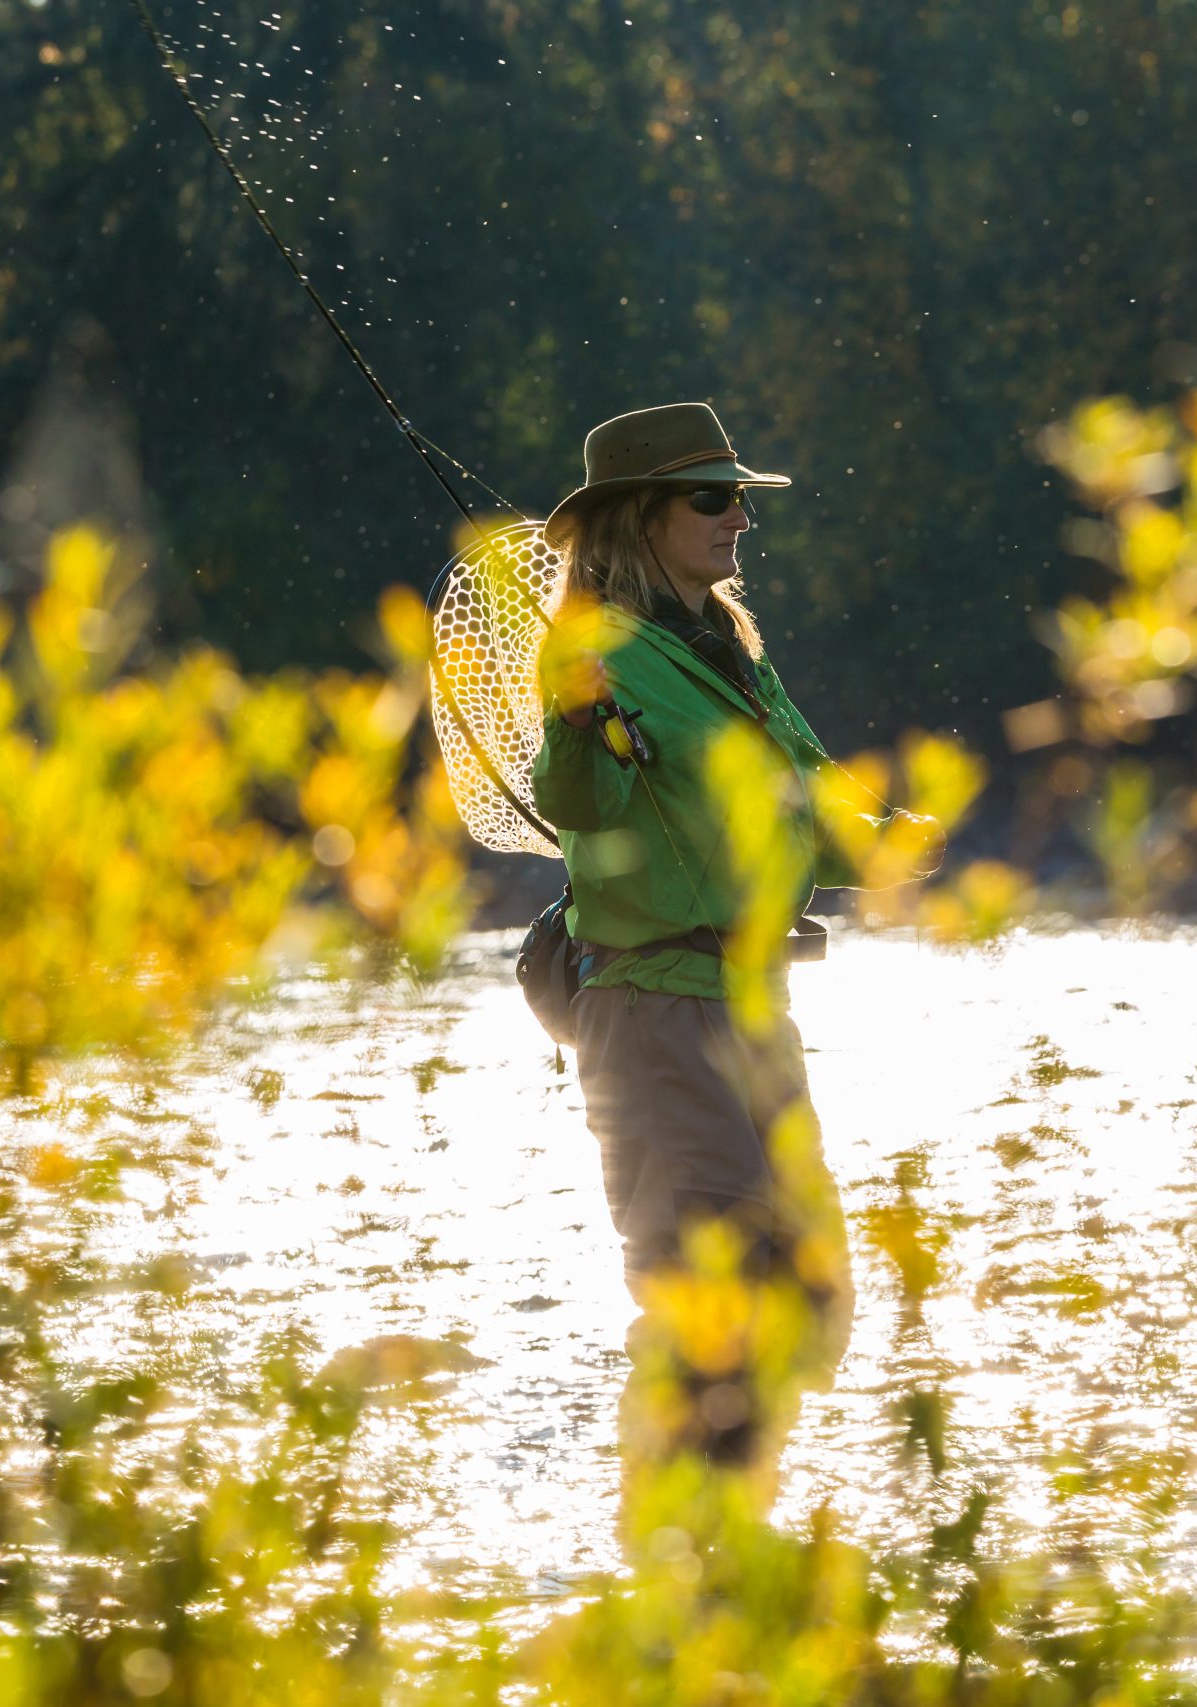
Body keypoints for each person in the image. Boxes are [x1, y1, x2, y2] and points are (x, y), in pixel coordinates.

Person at [529, 402, 922, 1486]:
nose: (739, 516)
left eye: (740, 497)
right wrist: (575, 717)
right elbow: (576, 799)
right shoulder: (592, 654)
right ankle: (678, 1539)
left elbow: (804, 794)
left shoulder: (729, 649)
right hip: (656, 1014)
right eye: (713, 497)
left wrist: (890, 839)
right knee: (711, 1292)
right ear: (639, 518)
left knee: (809, 1291)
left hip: (751, 1010)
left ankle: (733, 1524)